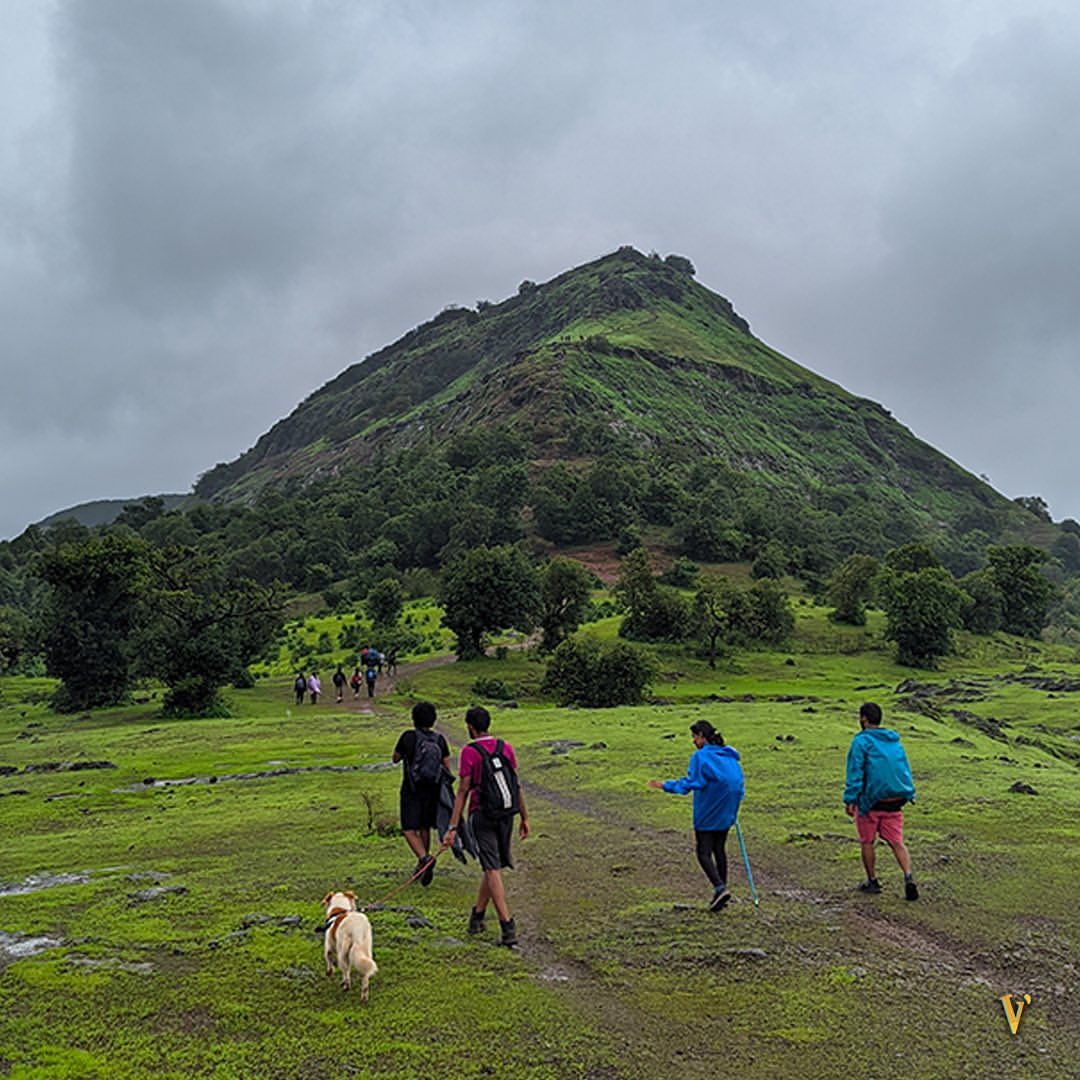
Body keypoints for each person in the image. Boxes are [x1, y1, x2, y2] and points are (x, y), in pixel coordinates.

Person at [442, 705, 529, 947]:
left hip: (482, 815)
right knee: (493, 867)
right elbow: (516, 784)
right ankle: (477, 916)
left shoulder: (470, 751)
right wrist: (524, 816)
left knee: (492, 869)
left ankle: (507, 926)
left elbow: (462, 791)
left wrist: (452, 827)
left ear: (470, 726)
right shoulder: (505, 747)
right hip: (506, 814)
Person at [649, 720, 744, 911]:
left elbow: (693, 782)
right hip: (730, 806)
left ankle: (719, 888)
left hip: (710, 808)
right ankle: (721, 892)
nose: (693, 741)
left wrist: (665, 785)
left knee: (703, 852)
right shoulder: (728, 754)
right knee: (719, 849)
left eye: (694, 737)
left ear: (701, 736)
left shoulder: (700, 757)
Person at [844, 702, 918, 900]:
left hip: (871, 801)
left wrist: (850, 799)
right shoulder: (893, 740)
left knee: (867, 841)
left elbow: (855, 772)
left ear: (863, 719)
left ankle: (872, 881)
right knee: (897, 842)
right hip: (896, 800)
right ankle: (908, 877)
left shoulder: (861, 742)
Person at [392, 701, 452, 886]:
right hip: (432, 791)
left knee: (409, 829)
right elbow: (446, 767)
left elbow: (395, 758)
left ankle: (425, 859)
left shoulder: (408, 737)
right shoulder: (439, 740)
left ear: (414, 719)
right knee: (425, 827)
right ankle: (423, 863)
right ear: (433, 720)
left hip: (411, 790)